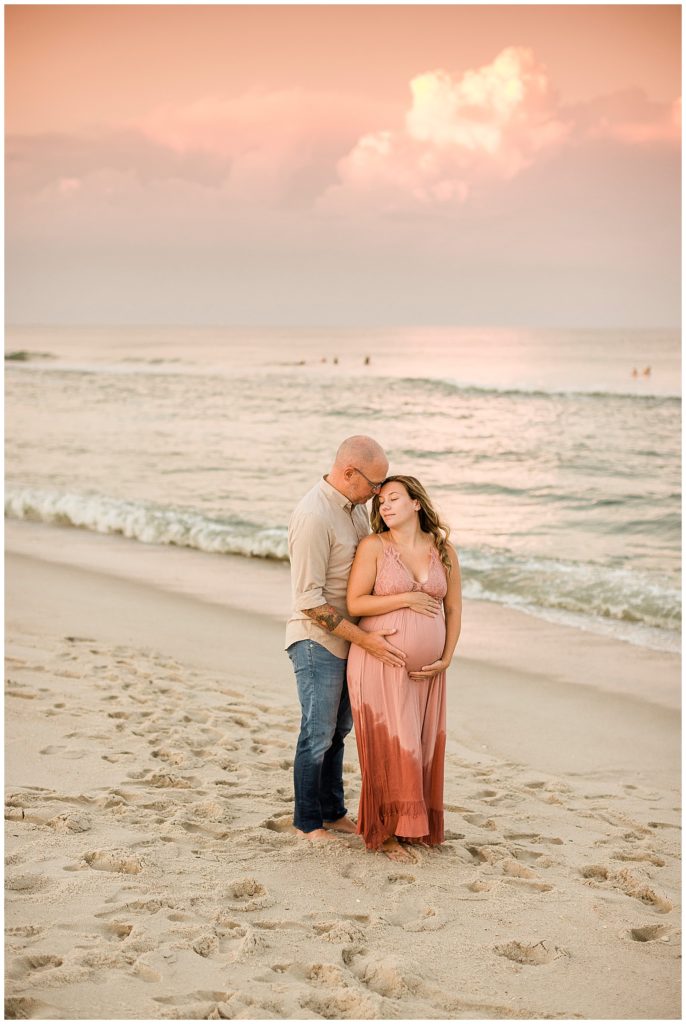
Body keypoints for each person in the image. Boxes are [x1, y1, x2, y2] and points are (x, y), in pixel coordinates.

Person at [285, 436, 407, 843]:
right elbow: (309, 601)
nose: (378, 493)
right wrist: (367, 641)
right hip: (315, 641)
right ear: (349, 472)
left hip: (349, 641)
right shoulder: (314, 515)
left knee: (338, 731)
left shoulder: (354, 511)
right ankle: (307, 822)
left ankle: (333, 811)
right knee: (316, 732)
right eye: (374, 484)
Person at [346, 475, 461, 862]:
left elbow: (454, 609)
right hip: (380, 660)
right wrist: (408, 598)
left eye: (394, 499)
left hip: (429, 670)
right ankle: (387, 833)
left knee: (421, 745)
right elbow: (356, 603)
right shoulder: (374, 547)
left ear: (416, 503)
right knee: (393, 745)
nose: (386, 507)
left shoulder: (443, 549)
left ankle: (412, 825)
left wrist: (446, 657)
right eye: (381, 503)